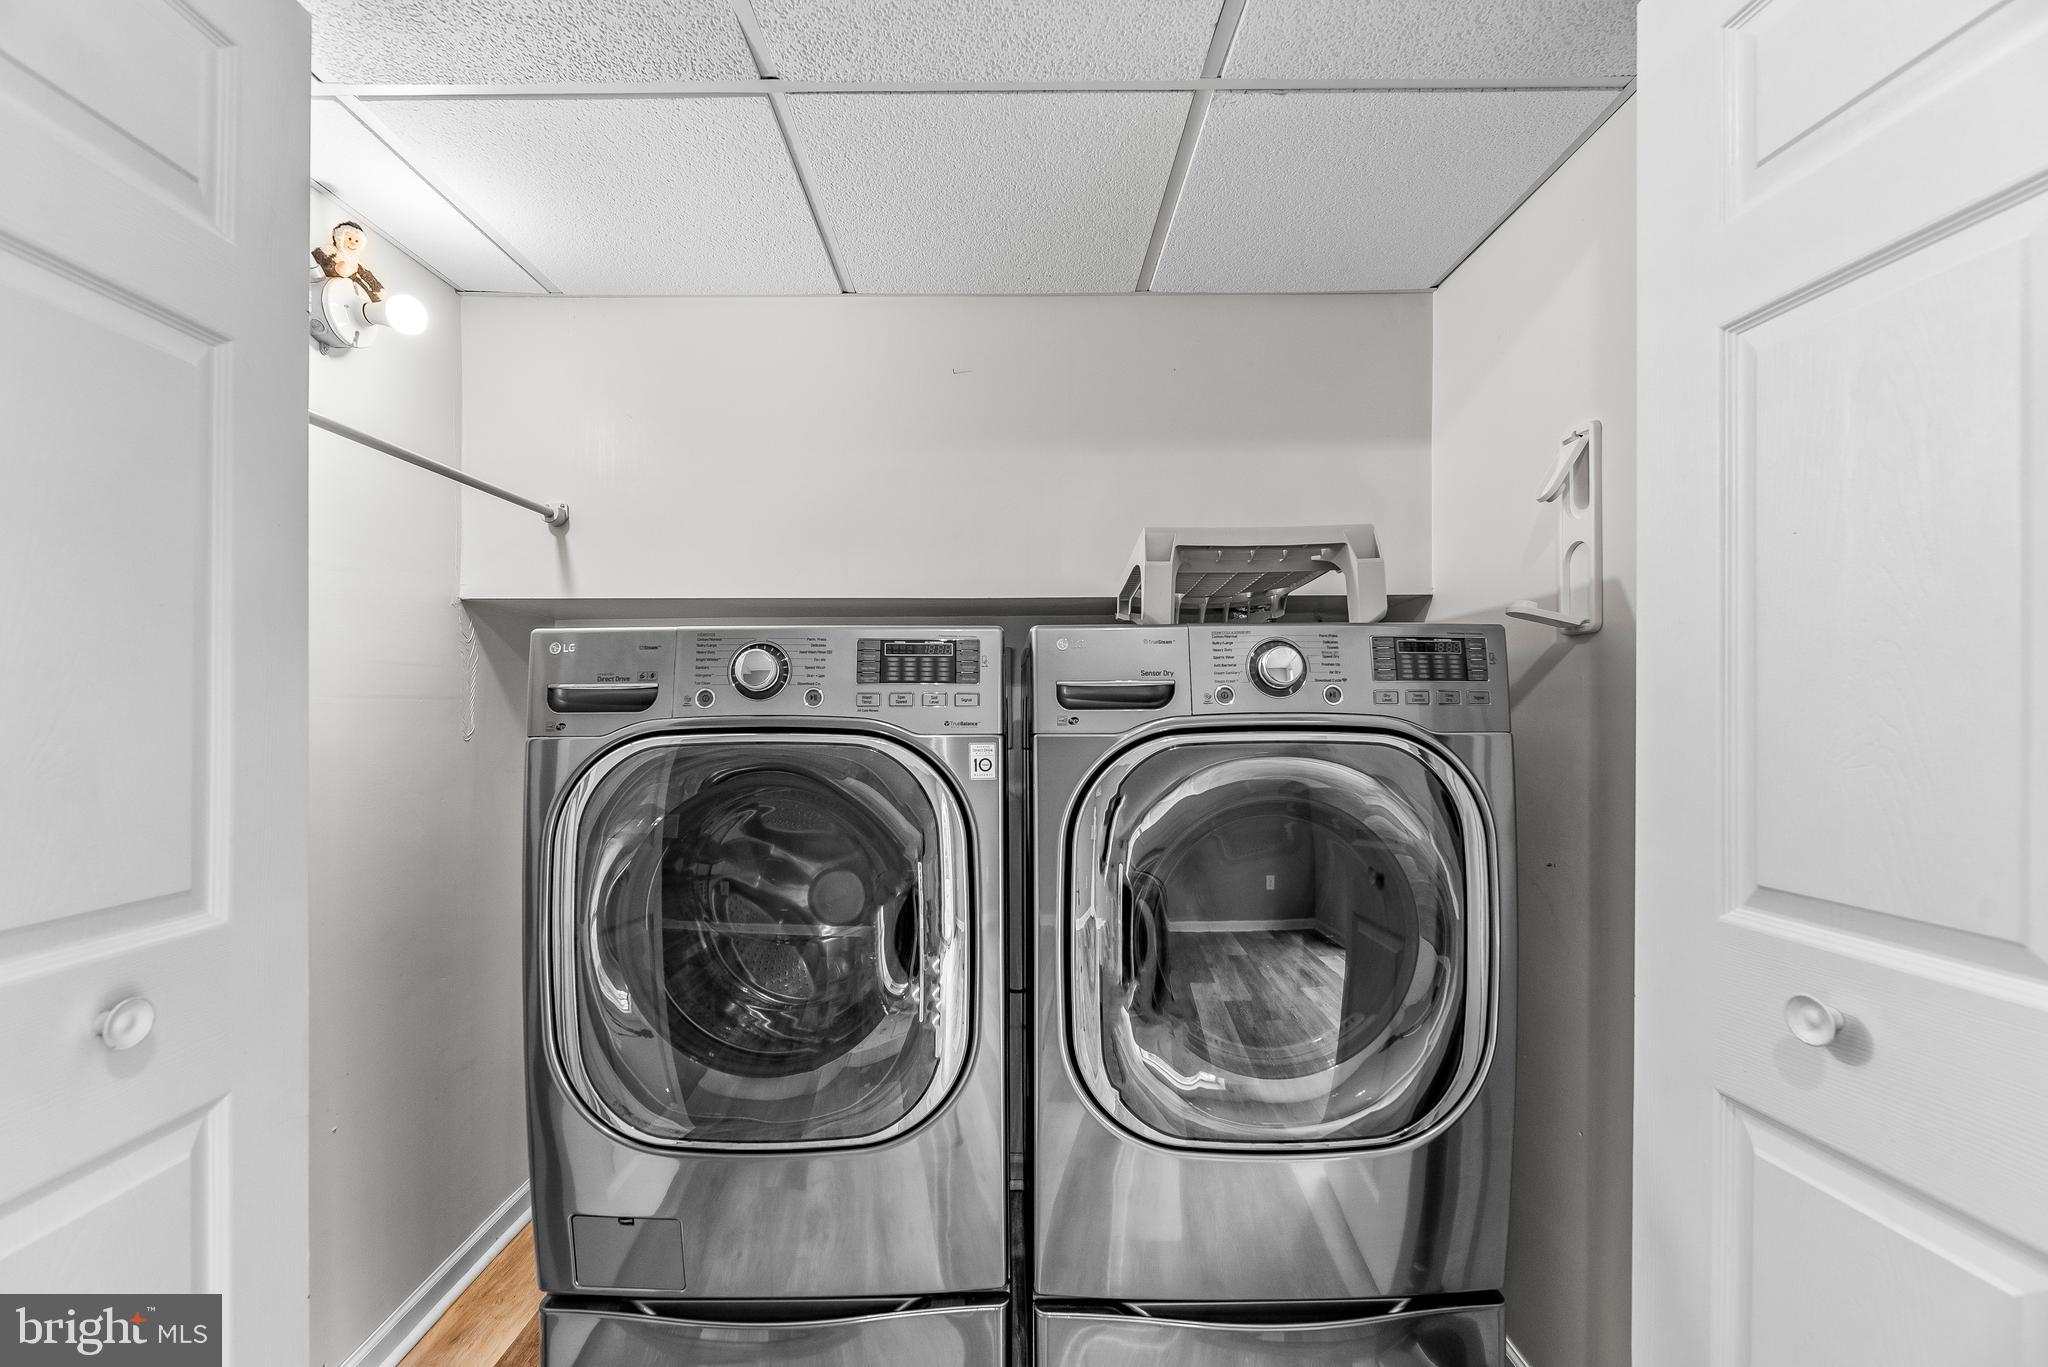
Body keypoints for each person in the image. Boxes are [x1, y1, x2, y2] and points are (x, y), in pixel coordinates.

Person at [312, 220, 386, 301]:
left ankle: (374, 300)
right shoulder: (330, 249)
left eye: (356, 241)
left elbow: (366, 274)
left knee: (362, 287)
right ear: (340, 237)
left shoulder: (356, 261)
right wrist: (336, 268)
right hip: (328, 284)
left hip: (348, 289)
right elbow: (317, 258)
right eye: (350, 239)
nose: (353, 243)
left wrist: (377, 288)